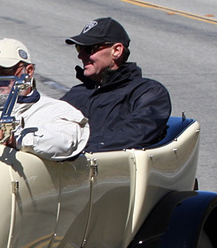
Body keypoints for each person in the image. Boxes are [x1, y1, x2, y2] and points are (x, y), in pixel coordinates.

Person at [0, 39, 87, 159]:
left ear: (28, 71)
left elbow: (64, 142)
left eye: (6, 71)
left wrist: (17, 139)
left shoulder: (55, 110)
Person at [61, 17, 171, 151]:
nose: (81, 56)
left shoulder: (148, 92)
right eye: (79, 48)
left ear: (116, 51)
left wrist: (78, 147)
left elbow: (135, 134)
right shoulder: (75, 94)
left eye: (89, 49)